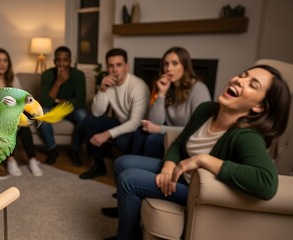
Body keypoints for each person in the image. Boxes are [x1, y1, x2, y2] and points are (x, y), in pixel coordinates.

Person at [103, 65, 291, 239]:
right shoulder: (206, 110)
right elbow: (179, 143)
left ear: (259, 106)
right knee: (122, 163)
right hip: (179, 172)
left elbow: (267, 183)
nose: (238, 80)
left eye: (252, 84)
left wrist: (203, 160)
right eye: (243, 75)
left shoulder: (246, 137)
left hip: (194, 190)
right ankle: (126, 211)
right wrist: (168, 166)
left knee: (129, 179)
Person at [79, 48, 150, 180]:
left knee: (122, 141)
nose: (115, 70)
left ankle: (128, 177)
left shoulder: (138, 86)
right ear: (107, 67)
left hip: (139, 128)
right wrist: (102, 90)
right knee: (89, 120)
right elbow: (96, 112)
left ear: (126, 66)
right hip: (120, 122)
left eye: (119, 65)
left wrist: (107, 134)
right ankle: (99, 166)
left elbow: (135, 123)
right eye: (111, 66)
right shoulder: (108, 83)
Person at [131, 46, 211, 158]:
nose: (168, 68)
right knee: (140, 131)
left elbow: (197, 129)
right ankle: (134, 165)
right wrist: (161, 93)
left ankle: (150, 171)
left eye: (175, 63)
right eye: (166, 64)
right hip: (171, 134)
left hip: (188, 138)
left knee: (152, 139)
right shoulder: (169, 87)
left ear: (185, 66)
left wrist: (160, 129)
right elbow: (156, 121)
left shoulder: (198, 88)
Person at [0, 48, 43, 177]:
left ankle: (32, 159)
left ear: (8, 64)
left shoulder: (13, 79)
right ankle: (11, 160)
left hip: (12, 116)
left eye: (5, 61)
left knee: (23, 123)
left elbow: (21, 101)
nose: (2, 64)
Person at [39, 46, 87, 166]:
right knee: (42, 114)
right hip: (54, 109)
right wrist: (58, 82)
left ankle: (74, 150)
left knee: (82, 115)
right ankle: (52, 149)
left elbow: (80, 102)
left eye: (65, 60)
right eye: (58, 60)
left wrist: (59, 101)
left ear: (70, 61)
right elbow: (45, 103)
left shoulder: (78, 75)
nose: (61, 63)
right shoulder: (47, 75)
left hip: (71, 110)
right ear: (54, 61)